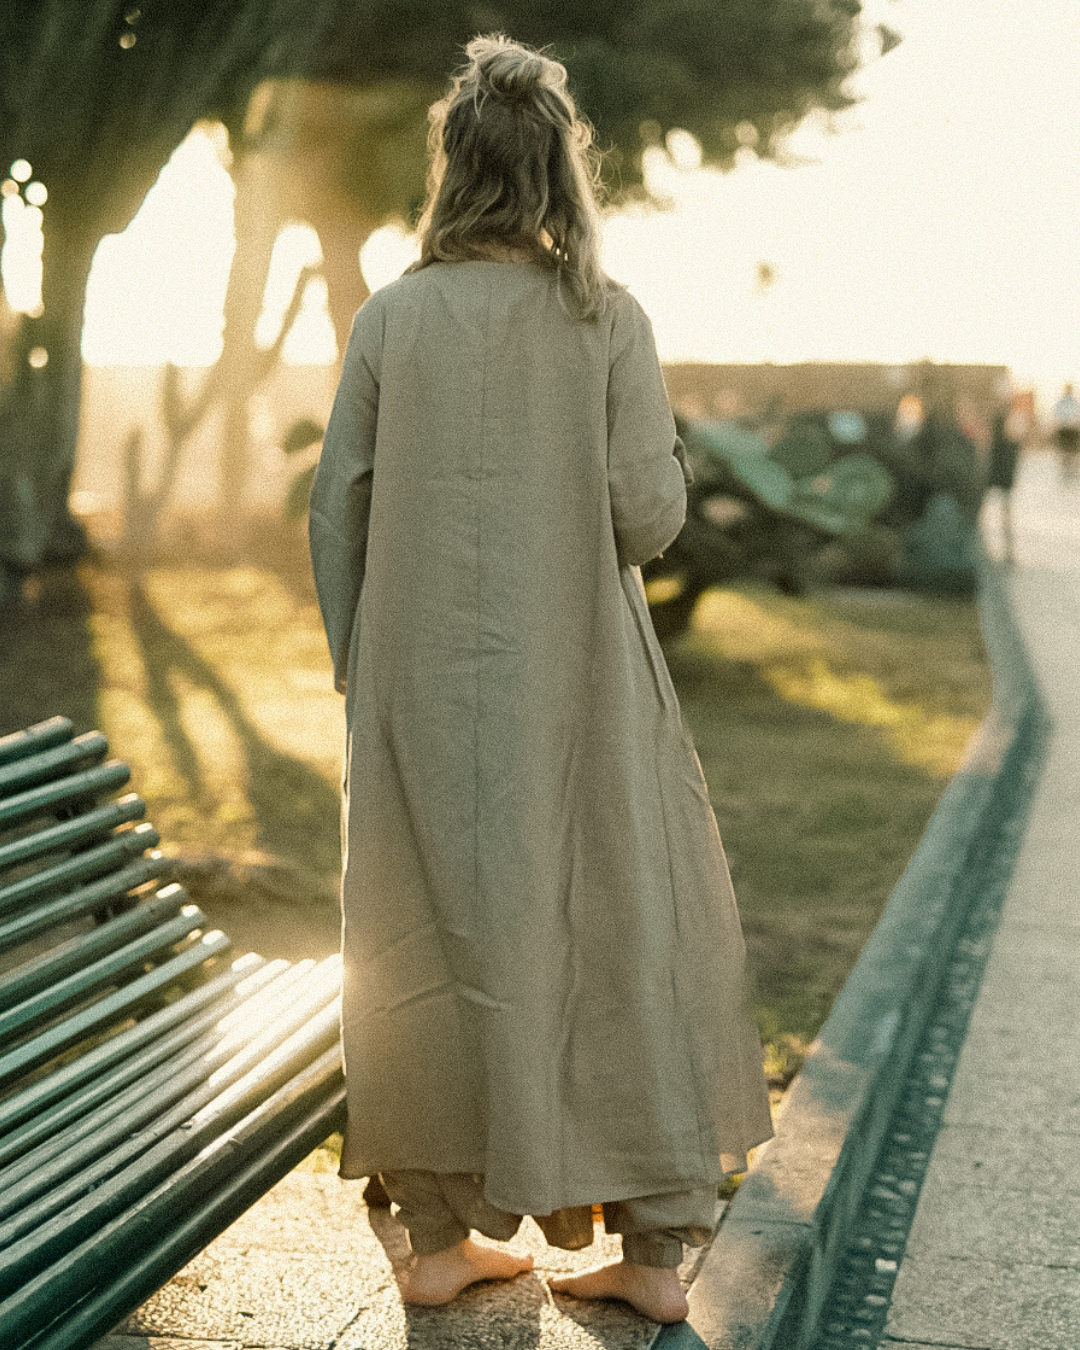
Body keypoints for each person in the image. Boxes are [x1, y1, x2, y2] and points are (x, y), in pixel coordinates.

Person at [309, 34, 772, 1325]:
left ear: (454, 170)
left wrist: (368, 673)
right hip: (578, 690)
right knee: (619, 925)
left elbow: (335, 506)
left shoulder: (395, 314)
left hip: (417, 697)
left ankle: (443, 1236)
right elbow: (644, 515)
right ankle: (656, 1254)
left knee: (421, 941)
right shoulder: (605, 319)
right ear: (563, 173)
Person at [1052, 382, 1080, 483]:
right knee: (1067, 449)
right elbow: (1057, 414)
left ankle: (1068, 467)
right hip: (1067, 429)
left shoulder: (1071, 401)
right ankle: (1067, 467)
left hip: (1068, 429)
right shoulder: (1065, 401)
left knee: (1069, 449)